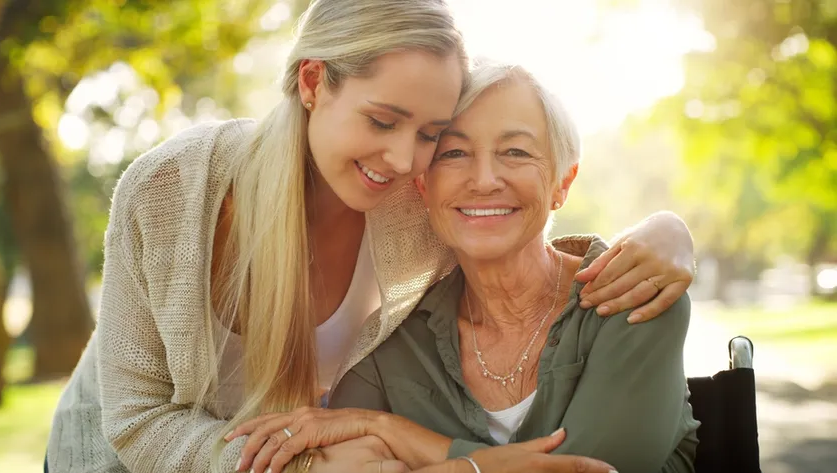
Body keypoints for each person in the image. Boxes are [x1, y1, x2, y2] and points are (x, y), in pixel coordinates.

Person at [45, 1, 696, 472]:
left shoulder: (416, 207)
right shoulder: (170, 188)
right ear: (311, 82)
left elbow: (508, 220)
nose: (403, 157)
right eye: (383, 119)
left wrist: (666, 231)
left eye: (430, 134)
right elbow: (136, 418)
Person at [228, 62, 699, 473]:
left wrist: (389, 429)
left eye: (515, 151)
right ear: (422, 186)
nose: (485, 179)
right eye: (454, 153)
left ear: (562, 182)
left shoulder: (636, 295)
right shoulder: (390, 346)